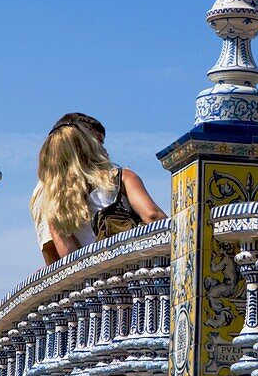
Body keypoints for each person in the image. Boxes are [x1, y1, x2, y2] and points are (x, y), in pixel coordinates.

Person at [30, 113, 166, 263]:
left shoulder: (54, 206)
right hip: (137, 267)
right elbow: (153, 216)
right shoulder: (121, 177)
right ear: (87, 145)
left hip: (100, 281)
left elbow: (69, 258)